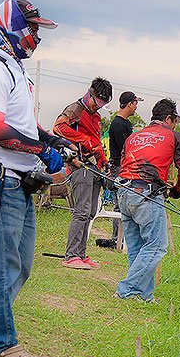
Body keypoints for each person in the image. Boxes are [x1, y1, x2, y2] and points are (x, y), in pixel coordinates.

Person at [0, 0, 70, 357]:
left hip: (17, 181)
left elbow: (22, 124)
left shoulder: (15, 70)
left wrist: (50, 139)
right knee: (2, 262)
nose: (37, 38)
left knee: (21, 263)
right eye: (33, 29)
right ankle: (1, 341)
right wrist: (41, 150)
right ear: (11, 26)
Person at [114, 98, 180, 302]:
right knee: (156, 246)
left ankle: (145, 296)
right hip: (147, 193)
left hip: (123, 191)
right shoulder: (173, 136)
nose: (175, 125)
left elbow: (122, 162)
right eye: (174, 121)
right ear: (168, 118)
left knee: (138, 248)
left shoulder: (133, 136)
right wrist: (177, 191)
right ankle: (126, 289)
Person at [53, 77, 113, 270]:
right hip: (80, 165)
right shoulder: (75, 109)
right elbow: (58, 127)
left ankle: (81, 254)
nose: (100, 106)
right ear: (90, 93)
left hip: (95, 167)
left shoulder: (96, 116)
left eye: (104, 103)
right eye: (99, 101)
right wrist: (83, 140)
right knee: (81, 211)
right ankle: (71, 255)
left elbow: (96, 142)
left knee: (91, 212)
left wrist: (104, 161)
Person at [108, 90, 144, 245]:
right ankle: (117, 238)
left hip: (124, 167)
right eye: (135, 103)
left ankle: (121, 238)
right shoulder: (118, 125)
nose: (136, 107)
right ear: (129, 104)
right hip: (119, 168)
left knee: (125, 203)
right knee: (120, 204)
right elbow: (126, 150)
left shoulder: (126, 124)